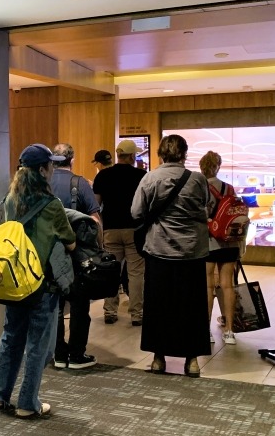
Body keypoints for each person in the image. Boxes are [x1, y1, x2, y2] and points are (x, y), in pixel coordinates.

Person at [0, 143, 76, 418]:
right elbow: (71, 243)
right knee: (38, 344)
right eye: (51, 165)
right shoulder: (52, 206)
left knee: (11, 336)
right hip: (42, 284)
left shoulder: (10, 201)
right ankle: (28, 403)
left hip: (14, 282)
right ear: (42, 170)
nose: (53, 169)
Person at [131, 134, 211, 378]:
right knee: (191, 306)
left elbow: (136, 212)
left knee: (159, 306)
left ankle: (158, 358)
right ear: (184, 154)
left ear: (160, 154)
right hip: (192, 252)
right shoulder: (197, 180)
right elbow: (208, 206)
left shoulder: (150, 178)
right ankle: (192, 361)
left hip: (160, 250)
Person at [49, 143, 102, 370]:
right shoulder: (79, 183)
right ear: (72, 159)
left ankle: (58, 354)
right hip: (77, 254)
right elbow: (95, 221)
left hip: (49, 255)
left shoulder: (43, 183)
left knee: (55, 306)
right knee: (80, 305)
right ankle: (77, 355)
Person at [92, 139, 147, 325]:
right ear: (131, 156)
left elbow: (95, 205)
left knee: (111, 271)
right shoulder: (141, 175)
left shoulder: (103, 176)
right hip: (134, 230)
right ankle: (137, 314)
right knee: (136, 273)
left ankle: (110, 311)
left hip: (111, 230)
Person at [199, 150, 241, 346]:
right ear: (218, 166)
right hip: (230, 242)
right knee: (227, 285)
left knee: (207, 286)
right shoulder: (229, 188)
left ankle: (205, 331)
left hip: (209, 241)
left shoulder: (199, 188)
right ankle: (229, 331)